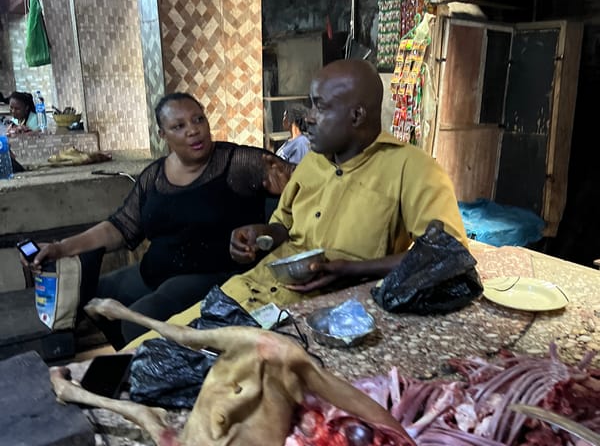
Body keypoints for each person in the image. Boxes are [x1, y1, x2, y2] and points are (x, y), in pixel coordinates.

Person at [140, 60, 467, 337]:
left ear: (356, 116)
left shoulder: (412, 168)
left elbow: (446, 256)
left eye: (319, 106)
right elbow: (283, 225)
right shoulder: (314, 160)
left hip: (323, 313)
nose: (307, 117)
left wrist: (350, 270)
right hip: (252, 289)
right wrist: (260, 235)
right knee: (155, 343)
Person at [30, 92, 293, 347]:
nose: (193, 130)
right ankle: (140, 360)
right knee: (92, 298)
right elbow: (120, 227)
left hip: (215, 273)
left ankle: (154, 363)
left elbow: (301, 184)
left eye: (198, 119)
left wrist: (285, 185)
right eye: (178, 126)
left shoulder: (238, 162)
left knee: (138, 321)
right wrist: (61, 247)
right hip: (156, 271)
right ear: (162, 135)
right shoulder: (153, 176)